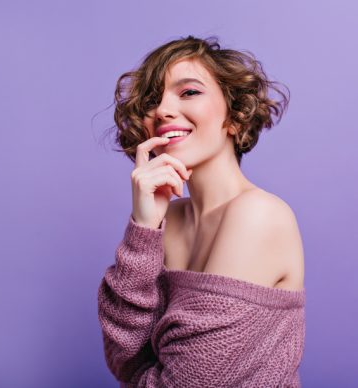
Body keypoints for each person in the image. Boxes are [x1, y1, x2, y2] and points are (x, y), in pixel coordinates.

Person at [98, 35, 306, 387]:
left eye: (189, 92)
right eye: (153, 99)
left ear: (235, 117)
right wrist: (143, 228)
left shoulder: (258, 215)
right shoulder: (168, 220)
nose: (163, 109)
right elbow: (122, 358)